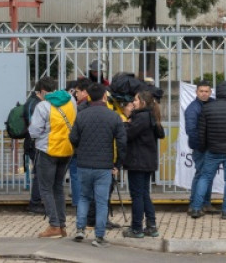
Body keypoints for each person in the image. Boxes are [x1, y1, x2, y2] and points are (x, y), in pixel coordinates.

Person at [69, 82, 126, 247]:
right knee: (101, 201)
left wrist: (81, 148)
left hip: (84, 163)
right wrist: (118, 164)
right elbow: (122, 142)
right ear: (104, 96)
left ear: (88, 97)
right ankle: (99, 236)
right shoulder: (113, 116)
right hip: (104, 165)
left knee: (84, 197)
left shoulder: (81, 115)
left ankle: (80, 229)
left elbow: (73, 138)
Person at [191, 81, 226, 220]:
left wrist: (204, 148)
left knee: (205, 177)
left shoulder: (207, 109)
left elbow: (202, 132)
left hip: (212, 150)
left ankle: (196, 208)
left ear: (216, 93)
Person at [28, 76, 77, 238]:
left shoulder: (43, 106)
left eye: (38, 93)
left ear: (42, 91)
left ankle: (54, 225)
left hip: (48, 150)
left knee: (45, 188)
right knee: (58, 187)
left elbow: (34, 131)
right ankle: (62, 225)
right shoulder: (70, 100)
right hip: (67, 149)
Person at [123, 89, 165, 237]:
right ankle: (151, 225)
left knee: (137, 195)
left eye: (135, 100)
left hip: (138, 161)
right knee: (144, 194)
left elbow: (128, 134)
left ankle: (136, 228)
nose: (132, 103)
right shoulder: (150, 116)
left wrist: (126, 120)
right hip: (146, 161)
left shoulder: (141, 117)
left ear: (143, 102)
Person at [185, 81, 216, 215]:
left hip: (212, 146)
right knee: (200, 175)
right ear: (196, 92)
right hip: (200, 148)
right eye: (201, 91)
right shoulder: (193, 108)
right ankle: (194, 204)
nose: (204, 94)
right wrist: (201, 146)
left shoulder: (213, 104)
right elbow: (191, 130)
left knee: (208, 175)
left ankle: (206, 203)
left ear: (210, 92)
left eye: (206, 91)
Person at [68, 78, 93, 210]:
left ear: (84, 92)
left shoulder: (79, 108)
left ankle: (78, 204)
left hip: (79, 148)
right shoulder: (96, 105)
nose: (75, 95)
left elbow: (74, 131)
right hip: (91, 148)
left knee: (76, 176)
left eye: (77, 92)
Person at [24, 81, 44, 214]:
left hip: (32, 143)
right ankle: (35, 203)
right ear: (42, 91)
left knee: (39, 173)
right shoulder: (35, 104)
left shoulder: (31, 102)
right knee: (39, 174)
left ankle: (36, 202)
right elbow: (35, 127)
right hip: (34, 144)